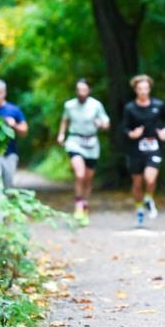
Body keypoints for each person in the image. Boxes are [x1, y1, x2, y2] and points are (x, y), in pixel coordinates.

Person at [56, 79, 110, 224]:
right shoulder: (69, 105)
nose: (81, 93)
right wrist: (61, 134)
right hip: (75, 141)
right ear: (76, 91)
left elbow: (106, 122)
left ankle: (85, 205)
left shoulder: (96, 105)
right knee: (79, 174)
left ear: (89, 91)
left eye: (84, 90)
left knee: (88, 178)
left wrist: (102, 124)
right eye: (79, 90)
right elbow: (64, 120)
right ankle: (78, 204)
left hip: (91, 143)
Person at [123, 74, 165, 226]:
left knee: (150, 179)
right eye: (140, 89)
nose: (143, 91)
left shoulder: (159, 105)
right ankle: (139, 208)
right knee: (137, 183)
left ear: (150, 89)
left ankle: (148, 197)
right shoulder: (130, 108)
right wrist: (132, 133)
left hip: (154, 146)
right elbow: (124, 127)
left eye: (146, 88)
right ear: (135, 90)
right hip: (135, 149)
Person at [0, 79, 28, 190]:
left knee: (8, 184)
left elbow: (24, 131)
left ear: (4, 93)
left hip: (10, 153)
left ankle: (5, 204)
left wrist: (14, 125)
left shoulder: (14, 110)